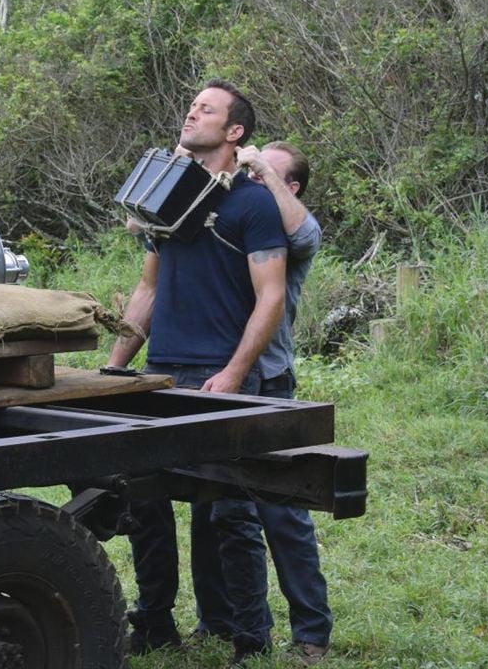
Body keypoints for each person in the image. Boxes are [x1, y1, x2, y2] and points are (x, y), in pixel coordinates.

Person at [105, 79, 287, 664]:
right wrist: (114, 366)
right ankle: (155, 622)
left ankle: (249, 640)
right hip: (162, 369)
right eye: (191, 106)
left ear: (235, 133)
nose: (191, 113)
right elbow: (148, 289)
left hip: (219, 371)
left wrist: (235, 372)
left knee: (231, 511)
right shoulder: (170, 199)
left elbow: (271, 297)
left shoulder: (253, 203)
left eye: (205, 109)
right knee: (144, 502)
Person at [197, 141, 332, 666]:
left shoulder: (289, 231)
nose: (250, 177)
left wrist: (258, 169)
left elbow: (309, 232)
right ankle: (219, 619)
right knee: (214, 506)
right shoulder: (238, 218)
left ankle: (311, 631)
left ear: (289, 185)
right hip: (217, 375)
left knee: (281, 509)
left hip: (268, 377)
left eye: (265, 172)